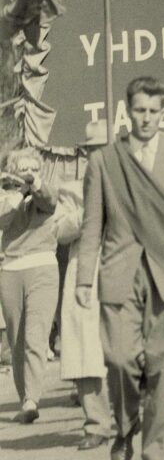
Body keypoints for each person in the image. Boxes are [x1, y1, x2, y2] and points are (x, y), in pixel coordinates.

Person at [76, 76, 164, 460]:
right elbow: (91, 225)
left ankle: (155, 450)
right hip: (119, 274)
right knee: (118, 359)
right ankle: (124, 425)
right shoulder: (104, 161)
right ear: (127, 111)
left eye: (154, 111)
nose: (146, 119)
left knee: (161, 371)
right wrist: (85, 277)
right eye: (139, 110)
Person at [55, 121, 112, 450]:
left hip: (123, 270)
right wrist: (86, 212)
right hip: (83, 275)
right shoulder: (71, 190)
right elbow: (59, 232)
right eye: (93, 151)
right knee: (82, 351)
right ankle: (96, 423)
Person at [0, 147, 60, 423]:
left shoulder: (43, 191)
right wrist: (16, 193)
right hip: (11, 269)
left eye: (34, 169)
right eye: (24, 169)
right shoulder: (7, 195)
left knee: (36, 336)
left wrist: (34, 184)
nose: (29, 174)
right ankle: (25, 395)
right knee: (16, 340)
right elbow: (3, 218)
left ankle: (32, 400)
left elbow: (50, 202)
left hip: (43, 266)